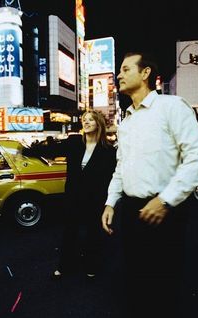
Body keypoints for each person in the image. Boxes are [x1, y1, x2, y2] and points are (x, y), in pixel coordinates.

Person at [101, 52, 198, 318]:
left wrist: (165, 200)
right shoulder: (126, 121)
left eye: (126, 69)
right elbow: (121, 166)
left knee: (164, 281)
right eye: (120, 70)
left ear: (146, 73)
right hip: (132, 210)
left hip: (166, 210)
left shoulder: (172, 106)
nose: (119, 75)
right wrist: (110, 202)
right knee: (136, 276)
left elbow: (197, 157)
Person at [52, 110, 116, 279]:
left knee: (93, 234)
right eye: (84, 120)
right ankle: (64, 266)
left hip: (95, 199)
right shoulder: (74, 142)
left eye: (90, 120)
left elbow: (110, 177)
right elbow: (52, 150)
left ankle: (91, 265)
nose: (86, 123)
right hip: (73, 198)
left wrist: (109, 202)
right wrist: (24, 151)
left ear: (98, 124)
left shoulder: (108, 150)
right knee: (69, 232)